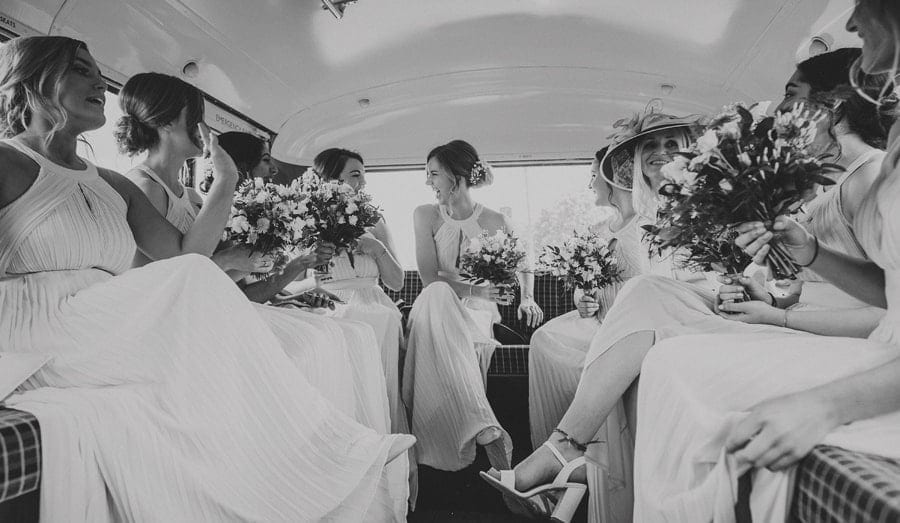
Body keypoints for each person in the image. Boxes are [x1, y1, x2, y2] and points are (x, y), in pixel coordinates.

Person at [0, 36, 414, 521]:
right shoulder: (7, 163)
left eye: (97, 71)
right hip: (39, 327)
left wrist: (225, 182)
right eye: (79, 69)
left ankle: (305, 460)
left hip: (102, 317)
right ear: (33, 80)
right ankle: (327, 450)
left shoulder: (109, 183)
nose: (97, 80)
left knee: (200, 289)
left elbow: (186, 260)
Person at [632, 3, 900, 519]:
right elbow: (894, 290)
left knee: (673, 357)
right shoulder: (886, 159)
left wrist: (825, 403)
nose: (850, 21)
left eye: (791, 102)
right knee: (669, 355)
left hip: (882, 356)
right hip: (882, 343)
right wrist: (813, 253)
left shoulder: (867, 175)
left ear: (833, 108)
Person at [482, 112, 697, 522]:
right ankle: (572, 462)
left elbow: (703, 279)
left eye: (673, 144)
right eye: (649, 146)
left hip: (683, 313)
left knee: (635, 303)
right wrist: (588, 296)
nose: (660, 154)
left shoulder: (704, 207)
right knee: (562, 337)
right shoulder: (649, 217)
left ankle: (568, 457)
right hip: (646, 314)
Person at [403, 139, 544, 472]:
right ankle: (485, 428)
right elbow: (429, 278)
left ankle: (479, 429)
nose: (428, 182)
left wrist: (527, 297)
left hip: (477, 314)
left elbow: (525, 262)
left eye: (434, 174)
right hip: (434, 307)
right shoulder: (424, 215)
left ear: (456, 174)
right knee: (438, 295)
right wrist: (480, 292)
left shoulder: (496, 220)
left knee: (460, 326)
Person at [526, 146, 647, 519]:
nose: (590, 182)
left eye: (594, 173)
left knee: (599, 354)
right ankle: (562, 457)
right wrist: (583, 299)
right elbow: (583, 286)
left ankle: (574, 463)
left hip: (634, 323)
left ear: (615, 178)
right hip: (600, 319)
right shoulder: (596, 231)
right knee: (543, 340)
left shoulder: (647, 226)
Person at [298, 148, 409, 435]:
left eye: (364, 175)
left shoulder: (375, 222)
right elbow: (292, 283)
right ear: (331, 180)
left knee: (378, 318)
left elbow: (397, 282)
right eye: (355, 174)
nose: (363, 182)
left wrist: (378, 249)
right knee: (349, 321)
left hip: (375, 302)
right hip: (329, 305)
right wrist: (312, 263)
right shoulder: (306, 222)